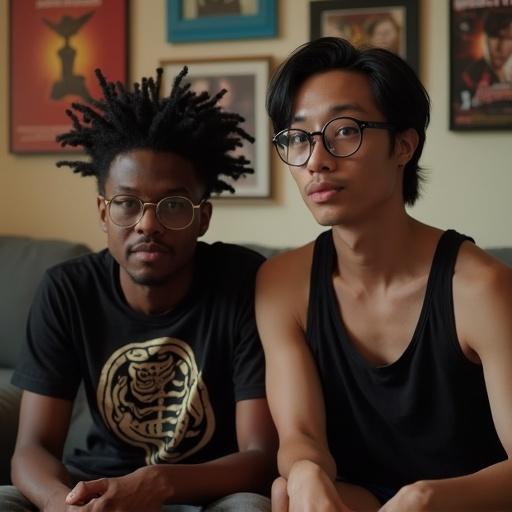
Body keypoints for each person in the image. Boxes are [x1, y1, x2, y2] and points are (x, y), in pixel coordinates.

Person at [0, 67, 277, 511]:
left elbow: (261, 457)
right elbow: (31, 449)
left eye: (172, 205)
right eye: (128, 203)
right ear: (103, 212)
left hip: (207, 495)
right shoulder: (67, 290)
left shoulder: (244, 283)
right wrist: (61, 504)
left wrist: (158, 484)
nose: (148, 224)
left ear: (202, 218)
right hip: (88, 489)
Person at [256, 37, 512, 511]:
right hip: (361, 500)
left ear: (404, 146)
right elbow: (301, 434)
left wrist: (427, 498)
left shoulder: (482, 289)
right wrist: (305, 470)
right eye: (297, 137)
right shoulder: (281, 285)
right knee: (284, 492)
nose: (316, 159)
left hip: (466, 501)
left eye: (345, 130)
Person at [459, 9, 512, 107]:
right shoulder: (471, 75)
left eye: (508, 38)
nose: (499, 48)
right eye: (494, 37)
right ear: (485, 39)